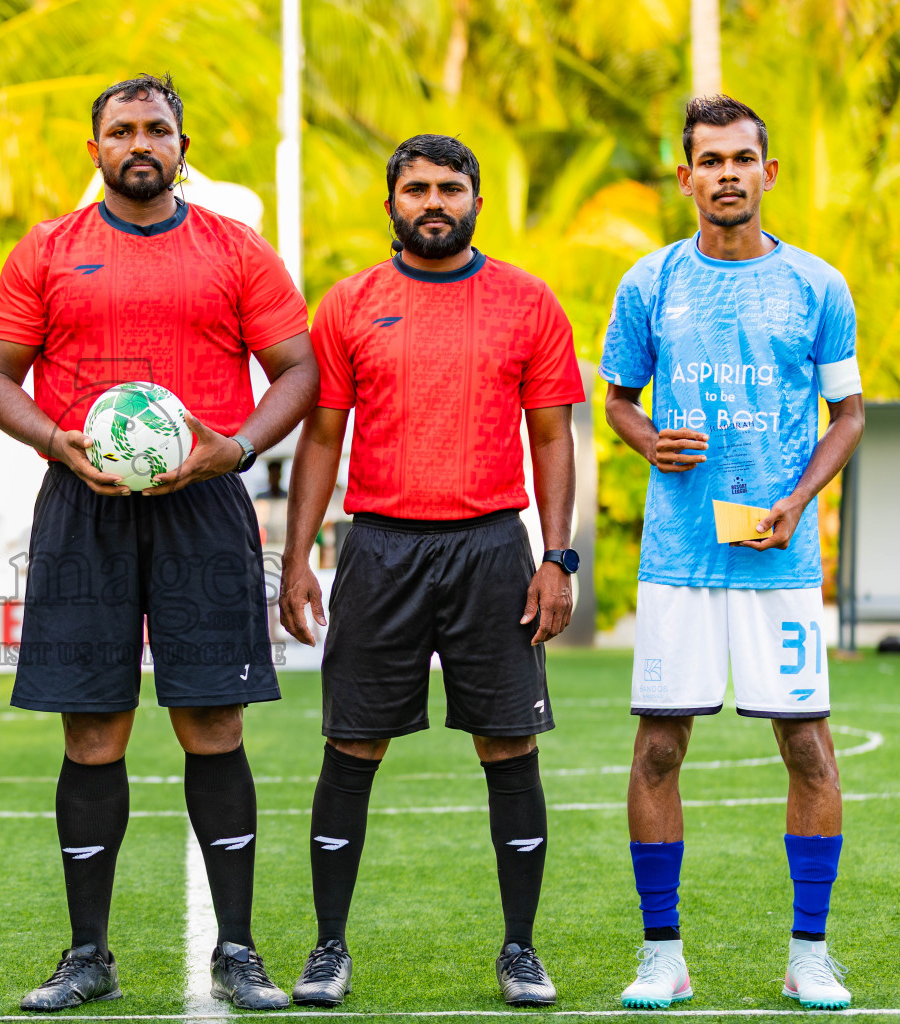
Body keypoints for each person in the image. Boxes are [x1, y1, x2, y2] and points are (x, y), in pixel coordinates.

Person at [0, 73, 318, 1012]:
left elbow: (297, 369)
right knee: (93, 731)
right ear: (95, 150)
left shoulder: (235, 249)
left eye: (156, 128)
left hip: (204, 505)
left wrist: (234, 448)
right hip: (82, 505)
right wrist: (56, 439)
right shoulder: (48, 249)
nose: (139, 142)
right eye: (121, 129)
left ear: (181, 147)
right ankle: (87, 954)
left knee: (214, 724)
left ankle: (237, 950)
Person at [280, 134, 585, 1009]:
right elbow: (322, 438)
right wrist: (297, 557)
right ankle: (328, 948)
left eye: (451, 187)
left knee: (509, 745)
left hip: (492, 546)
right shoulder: (349, 303)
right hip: (379, 547)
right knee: (352, 744)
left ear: (477, 201)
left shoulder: (527, 301)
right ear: (392, 206)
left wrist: (556, 555)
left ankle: (520, 949)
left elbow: (552, 437)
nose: (434, 202)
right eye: (416, 189)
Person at [600, 95, 864, 1011]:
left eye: (742, 159)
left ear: (768, 172)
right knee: (659, 749)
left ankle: (809, 955)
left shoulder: (818, 286)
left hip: (776, 557)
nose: (726, 175)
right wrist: (647, 439)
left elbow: (849, 415)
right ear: (686, 178)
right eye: (709, 161)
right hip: (679, 557)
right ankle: (661, 956)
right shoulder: (650, 283)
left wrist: (799, 500)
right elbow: (618, 399)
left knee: (809, 748)